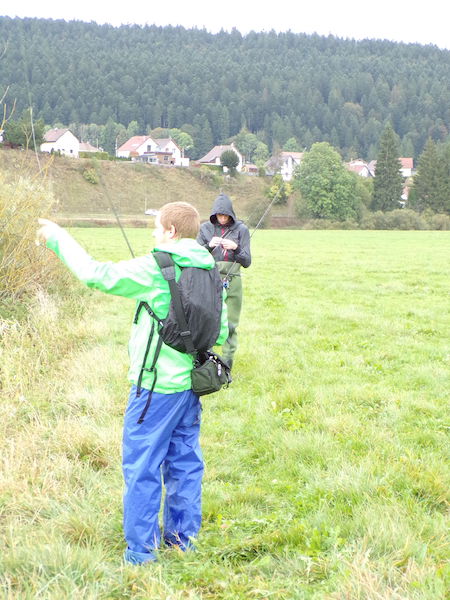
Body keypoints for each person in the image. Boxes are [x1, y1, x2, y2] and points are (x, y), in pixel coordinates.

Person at [36, 202, 228, 566]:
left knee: (142, 468)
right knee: (185, 464)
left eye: (157, 228)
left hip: (154, 390)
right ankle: (182, 542)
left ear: (171, 231)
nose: (153, 234)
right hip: (190, 386)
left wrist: (58, 238)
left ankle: (141, 553)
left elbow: (96, 275)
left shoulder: (157, 267)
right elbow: (219, 328)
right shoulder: (209, 268)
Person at [197, 193, 251, 367]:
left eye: (225, 215)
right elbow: (195, 256)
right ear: (214, 214)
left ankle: (227, 363)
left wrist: (236, 248)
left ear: (231, 214)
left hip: (233, 280)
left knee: (231, 324)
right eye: (219, 215)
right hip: (209, 278)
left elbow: (247, 261)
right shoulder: (205, 229)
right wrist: (209, 246)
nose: (222, 218)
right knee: (207, 322)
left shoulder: (241, 230)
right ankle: (205, 362)